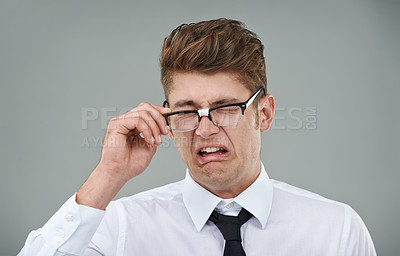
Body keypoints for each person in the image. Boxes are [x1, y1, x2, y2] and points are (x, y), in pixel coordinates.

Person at [18, 18, 376, 256]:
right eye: (187, 111)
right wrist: (107, 177)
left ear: (263, 114)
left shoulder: (336, 230)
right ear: (167, 120)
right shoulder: (121, 227)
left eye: (225, 107)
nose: (205, 129)